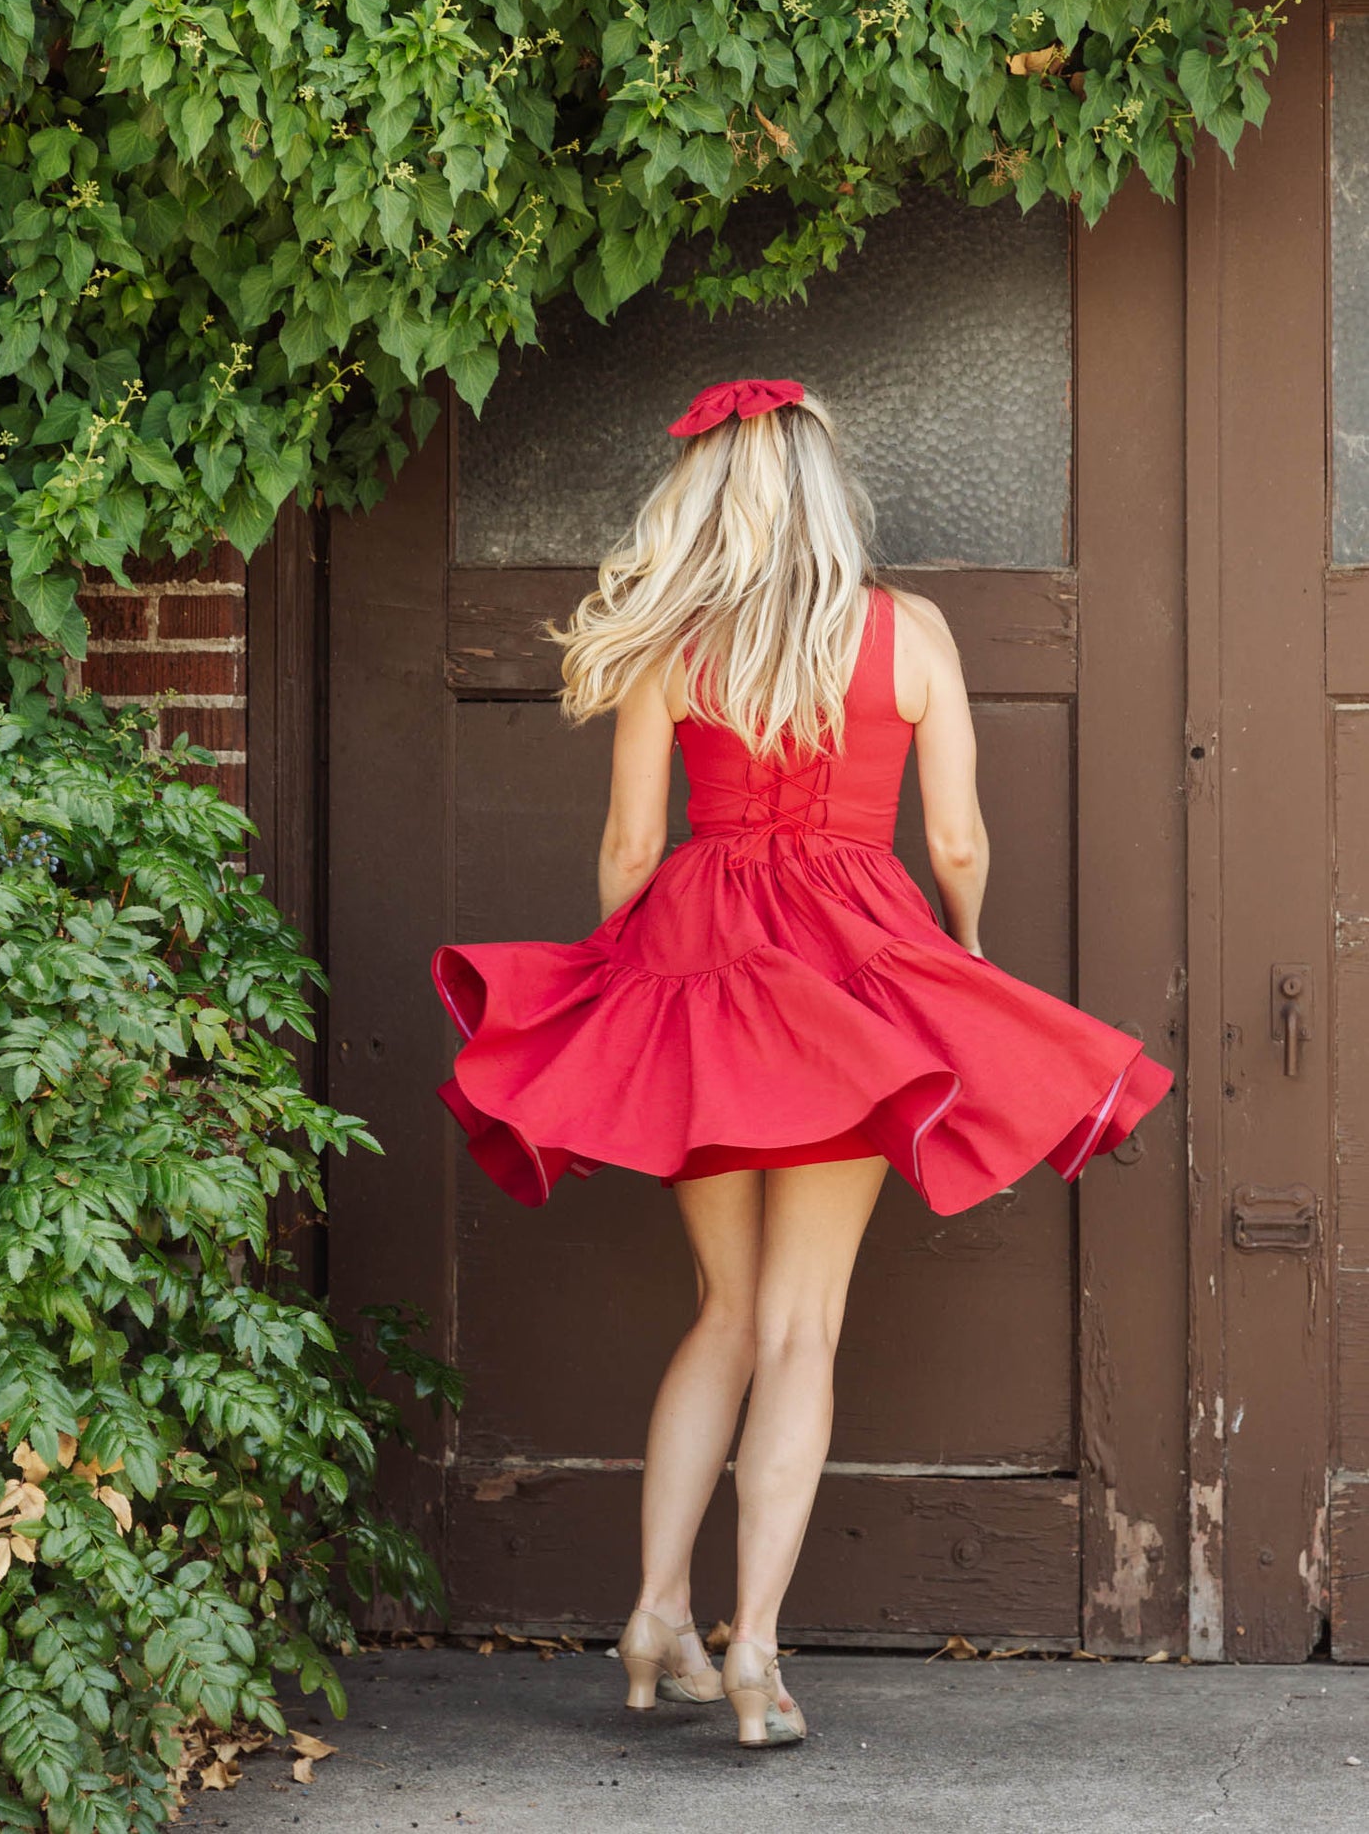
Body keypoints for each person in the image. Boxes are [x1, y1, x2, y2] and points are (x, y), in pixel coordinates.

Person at [431, 377, 1174, 1750]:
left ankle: (653, 1615)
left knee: (718, 1308)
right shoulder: (912, 633)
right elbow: (952, 839)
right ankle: (757, 1652)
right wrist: (960, 951)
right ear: (828, 491)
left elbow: (626, 849)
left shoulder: (674, 640)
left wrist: (616, 980)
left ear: (708, 497)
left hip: (697, 966)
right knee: (798, 1327)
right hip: (848, 977)